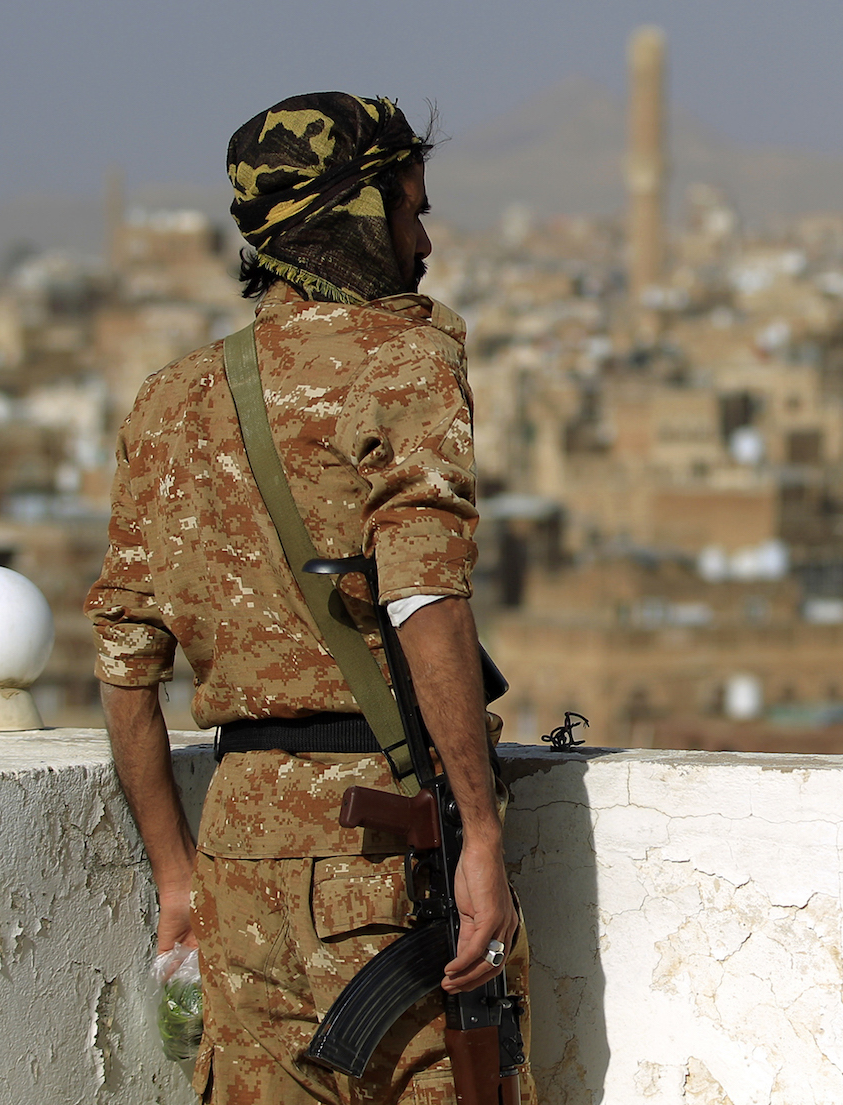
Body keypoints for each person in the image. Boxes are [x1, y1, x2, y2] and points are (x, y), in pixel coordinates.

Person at [88, 92, 531, 1104]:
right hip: (388, 841)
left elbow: (126, 658)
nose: (424, 240)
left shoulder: (167, 398)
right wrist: (483, 835)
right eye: (410, 211)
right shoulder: (406, 357)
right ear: (354, 219)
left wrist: (177, 876)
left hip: (238, 853)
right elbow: (425, 593)